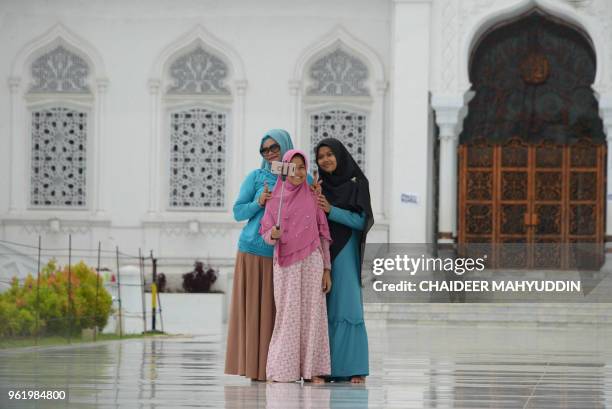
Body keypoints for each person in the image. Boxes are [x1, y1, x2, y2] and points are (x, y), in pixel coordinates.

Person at [225, 129, 294, 381]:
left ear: (286, 146)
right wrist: (259, 202)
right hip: (255, 251)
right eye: (264, 150)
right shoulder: (256, 177)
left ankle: (279, 367)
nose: (270, 153)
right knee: (256, 312)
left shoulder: (301, 177)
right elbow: (238, 212)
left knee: (278, 312)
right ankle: (256, 368)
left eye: (274, 147)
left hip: (287, 255)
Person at [260, 149, 332, 383]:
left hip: (312, 260)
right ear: (285, 169)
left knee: (314, 315)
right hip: (286, 263)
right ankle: (283, 369)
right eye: (293, 167)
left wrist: (327, 269)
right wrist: (274, 233)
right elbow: (265, 232)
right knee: (288, 314)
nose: (298, 172)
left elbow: (323, 234)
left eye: (302, 167)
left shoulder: (313, 197)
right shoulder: (274, 200)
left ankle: (313, 371)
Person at [314, 138, 373, 383]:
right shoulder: (317, 186)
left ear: (340, 155)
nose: (326, 159)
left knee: (347, 306)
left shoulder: (357, 184)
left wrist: (332, 210)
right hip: (319, 251)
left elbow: (362, 221)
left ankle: (354, 367)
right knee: (323, 308)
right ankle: (323, 366)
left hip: (346, 249)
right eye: (321, 156)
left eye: (330, 154)